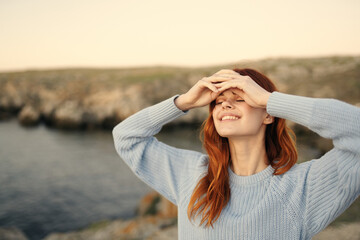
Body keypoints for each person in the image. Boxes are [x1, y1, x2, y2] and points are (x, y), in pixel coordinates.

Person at [112, 68, 360, 239]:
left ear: (268, 114)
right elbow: (126, 137)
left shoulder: (303, 186)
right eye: (218, 101)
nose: (225, 105)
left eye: (239, 98)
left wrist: (268, 98)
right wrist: (184, 102)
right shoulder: (191, 174)